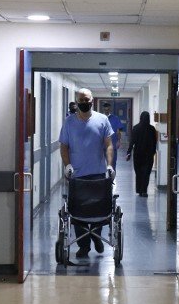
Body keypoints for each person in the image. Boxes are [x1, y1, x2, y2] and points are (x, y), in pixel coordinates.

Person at [59, 88, 115, 258]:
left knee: (98, 209)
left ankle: (96, 237)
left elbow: (109, 145)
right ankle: (84, 246)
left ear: (92, 100)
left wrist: (109, 165)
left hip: (98, 174)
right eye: (81, 100)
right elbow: (64, 146)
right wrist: (67, 165)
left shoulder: (102, 120)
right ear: (77, 102)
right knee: (77, 211)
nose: (84, 103)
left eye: (87, 100)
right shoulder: (69, 122)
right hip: (77, 176)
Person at [126, 111, 158, 196]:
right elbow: (154, 142)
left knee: (139, 173)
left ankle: (139, 190)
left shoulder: (136, 128)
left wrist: (129, 152)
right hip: (148, 155)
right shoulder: (152, 129)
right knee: (146, 173)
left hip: (138, 154)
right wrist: (153, 152)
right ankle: (144, 190)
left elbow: (132, 141)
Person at [102, 103, 125, 167]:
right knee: (102, 164)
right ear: (103, 109)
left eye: (108, 109)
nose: (106, 110)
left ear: (110, 109)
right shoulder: (100, 118)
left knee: (113, 162)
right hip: (102, 144)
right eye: (105, 109)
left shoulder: (115, 118)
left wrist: (118, 141)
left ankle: (112, 173)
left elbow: (118, 131)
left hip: (113, 143)